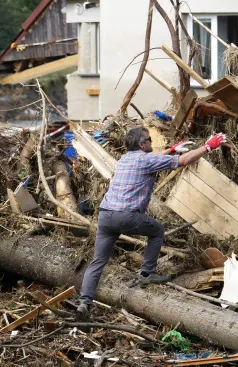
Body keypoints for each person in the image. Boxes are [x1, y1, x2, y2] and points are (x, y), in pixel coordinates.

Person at [76, 127, 226, 321]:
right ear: (142, 144)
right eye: (148, 140)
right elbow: (184, 161)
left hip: (105, 217)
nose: (151, 142)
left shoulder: (124, 159)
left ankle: (84, 302)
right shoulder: (146, 160)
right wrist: (208, 146)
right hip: (126, 216)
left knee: (98, 262)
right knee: (157, 230)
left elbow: (155, 160)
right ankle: (147, 273)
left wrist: (171, 149)